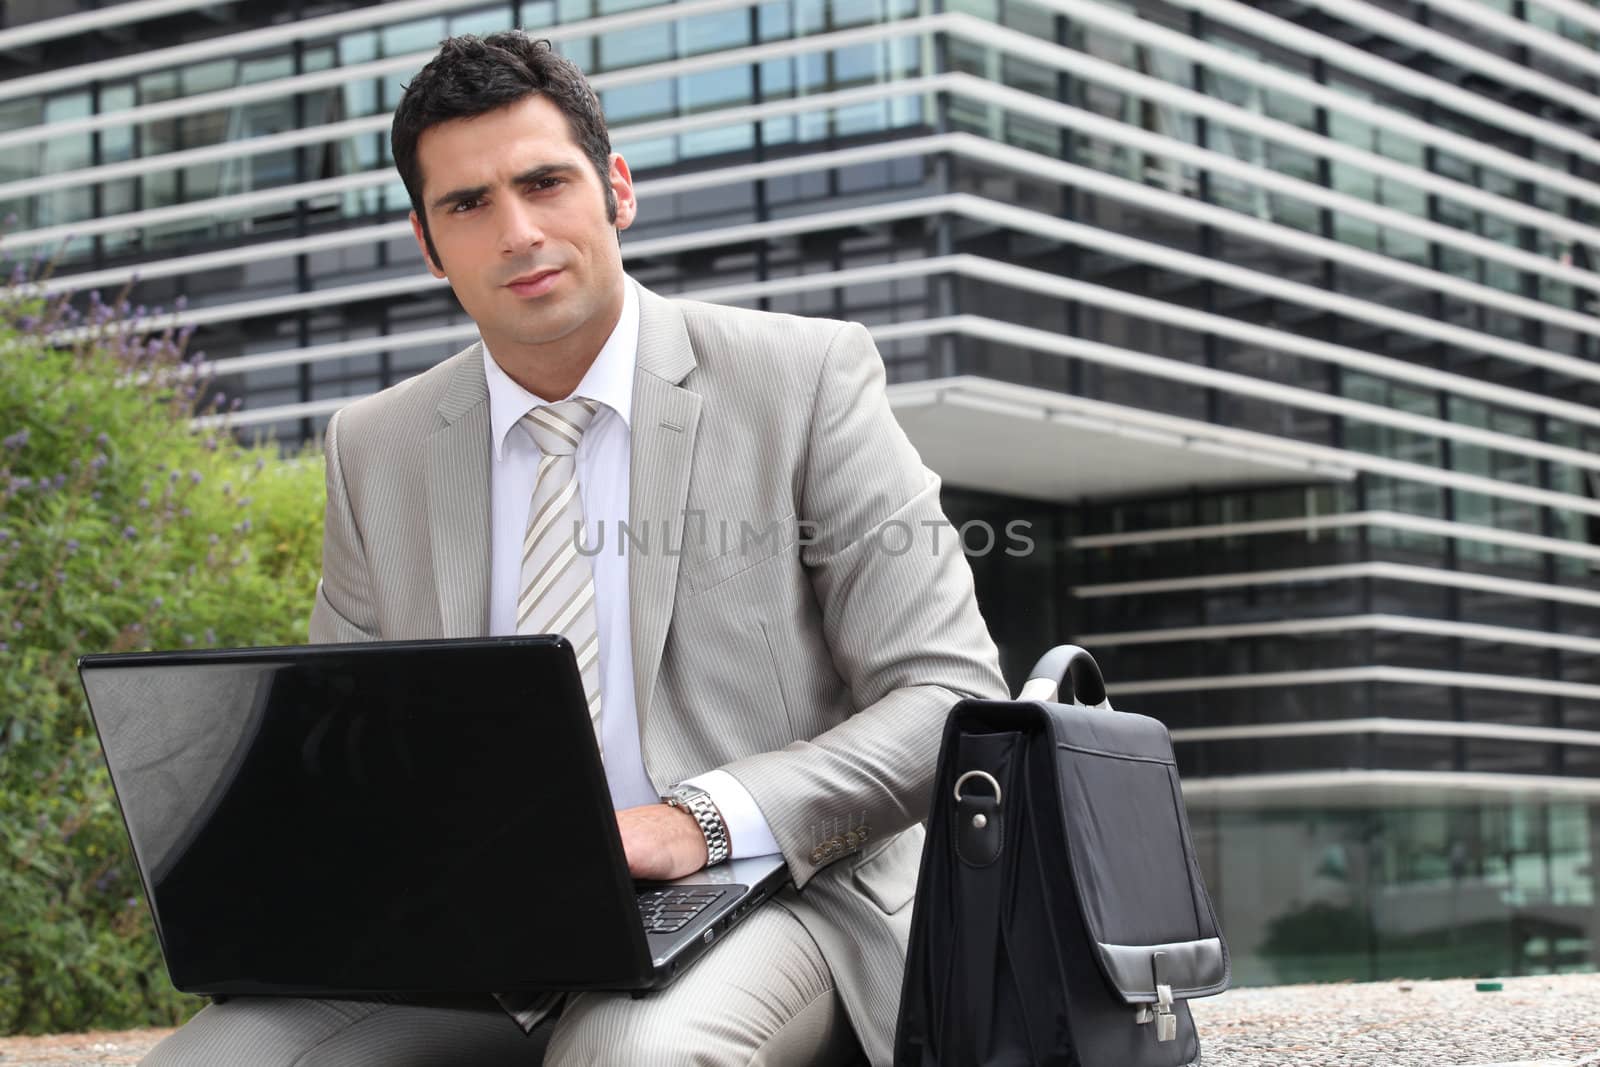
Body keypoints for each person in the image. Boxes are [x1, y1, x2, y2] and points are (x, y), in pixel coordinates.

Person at [143, 30, 1006, 1067]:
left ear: (616, 191)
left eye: (545, 182)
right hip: (477, 929)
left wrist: (699, 819)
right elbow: (353, 750)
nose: (516, 232)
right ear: (427, 244)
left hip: (774, 892)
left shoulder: (805, 378)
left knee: (627, 1053)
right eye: (468, 205)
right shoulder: (375, 445)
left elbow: (946, 696)